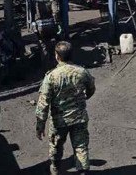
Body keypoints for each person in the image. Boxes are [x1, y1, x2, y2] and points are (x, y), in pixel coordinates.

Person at [36, 41, 95, 175]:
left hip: (59, 121)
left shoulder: (51, 76)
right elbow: (91, 88)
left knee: (56, 146)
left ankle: (55, 169)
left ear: (57, 56)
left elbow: (43, 103)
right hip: (79, 117)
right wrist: (82, 99)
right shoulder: (82, 72)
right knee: (81, 146)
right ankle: (83, 171)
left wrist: (40, 125)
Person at [33, 0, 61, 66]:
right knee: (54, 43)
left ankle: (45, 65)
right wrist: (58, 23)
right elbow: (55, 12)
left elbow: (32, 11)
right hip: (50, 25)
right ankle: (56, 63)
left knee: (43, 44)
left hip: (39, 26)